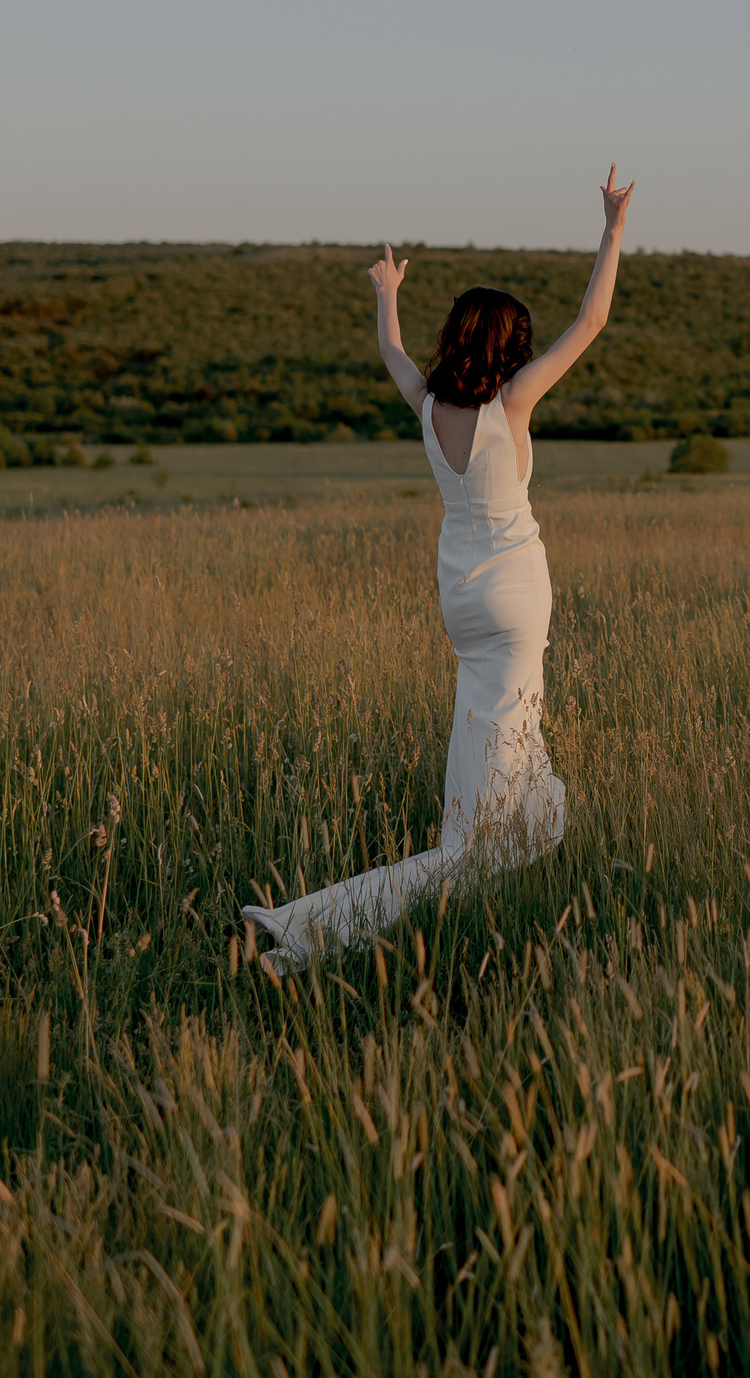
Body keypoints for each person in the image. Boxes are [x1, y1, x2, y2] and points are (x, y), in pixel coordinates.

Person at [242, 167, 633, 974]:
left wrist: (388, 291)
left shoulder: (427, 401)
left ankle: (513, 848)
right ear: (508, 345)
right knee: (470, 842)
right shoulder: (512, 402)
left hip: (461, 600)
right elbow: (592, 321)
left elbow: (391, 348)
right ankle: (303, 927)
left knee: (512, 768)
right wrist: (611, 230)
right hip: (517, 597)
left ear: (459, 336)